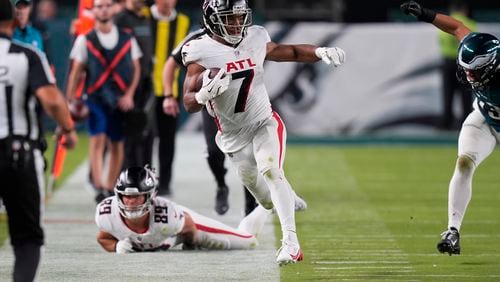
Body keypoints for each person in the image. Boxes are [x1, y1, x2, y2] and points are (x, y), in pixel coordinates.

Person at [182, 0, 345, 265]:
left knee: (271, 170)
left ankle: (291, 244)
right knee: (267, 201)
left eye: (239, 17)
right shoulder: (199, 50)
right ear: (212, 19)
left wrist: (319, 52)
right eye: (229, 18)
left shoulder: (255, 37)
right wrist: (202, 94)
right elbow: (188, 102)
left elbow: (288, 51)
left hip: (264, 122)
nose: (236, 24)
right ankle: (289, 197)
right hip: (232, 138)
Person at [401, 1, 500, 256]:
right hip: (486, 120)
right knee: (464, 163)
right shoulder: (479, 56)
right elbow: (457, 27)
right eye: (467, 70)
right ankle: (452, 231)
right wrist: (427, 14)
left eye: (475, 73)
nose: (469, 77)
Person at [0, 0, 77, 280]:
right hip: (19, 152)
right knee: (27, 239)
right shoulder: (27, 54)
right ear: (14, 21)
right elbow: (50, 99)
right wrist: (67, 130)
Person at [163, 28, 257, 216]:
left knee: (247, 154)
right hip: (213, 103)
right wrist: (168, 94)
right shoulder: (197, 39)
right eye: (227, 16)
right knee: (213, 152)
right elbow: (170, 64)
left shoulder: (247, 35)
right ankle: (221, 185)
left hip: (242, 101)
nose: (234, 22)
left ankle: (251, 202)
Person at [66, 0, 142, 203]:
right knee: (98, 138)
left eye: (107, 5)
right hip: (95, 97)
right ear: (93, 10)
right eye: (99, 6)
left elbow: (136, 68)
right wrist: (71, 99)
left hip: (119, 100)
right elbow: (76, 71)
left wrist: (129, 95)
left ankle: (110, 186)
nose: (104, 9)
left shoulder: (127, 37)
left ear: (113, 8)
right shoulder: (85, 39)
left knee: (117, 142)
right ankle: (99, 186)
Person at [95, 166, 271, 252]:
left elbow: (187, 224)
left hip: (186, 228)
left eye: (136, 196)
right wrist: (117, 246)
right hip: (166, 237)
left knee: (249, 242)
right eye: (126, 196)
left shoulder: (166, 215)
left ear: (150, 196)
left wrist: (193, 242)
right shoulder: (108, 214)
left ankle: (268, 205)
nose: (130, 201)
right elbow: (102, 238)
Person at [150, 0, 191, 196]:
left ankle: (164, 183)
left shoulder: (183, 21)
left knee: (168, 139)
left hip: (170, 91)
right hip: (144, 91)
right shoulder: (142, 16)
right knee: (143, 140)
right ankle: (144, 179)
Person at [115, 0, 154, 169]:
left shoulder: (145, 18)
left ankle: (145, 176)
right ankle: (127, 178)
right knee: (128, 138)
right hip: (127, 86)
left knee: (147, 134)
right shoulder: (120, 19)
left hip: (145, 83)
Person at [437, 0, 477, 129]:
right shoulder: (471, 24)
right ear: (464, 10)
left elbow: (441, 42)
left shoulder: (442, 24)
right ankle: (466, 122)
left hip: (448, 62)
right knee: (466, 95)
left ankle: (446, 123)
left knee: (448, 94)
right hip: (464, 63)